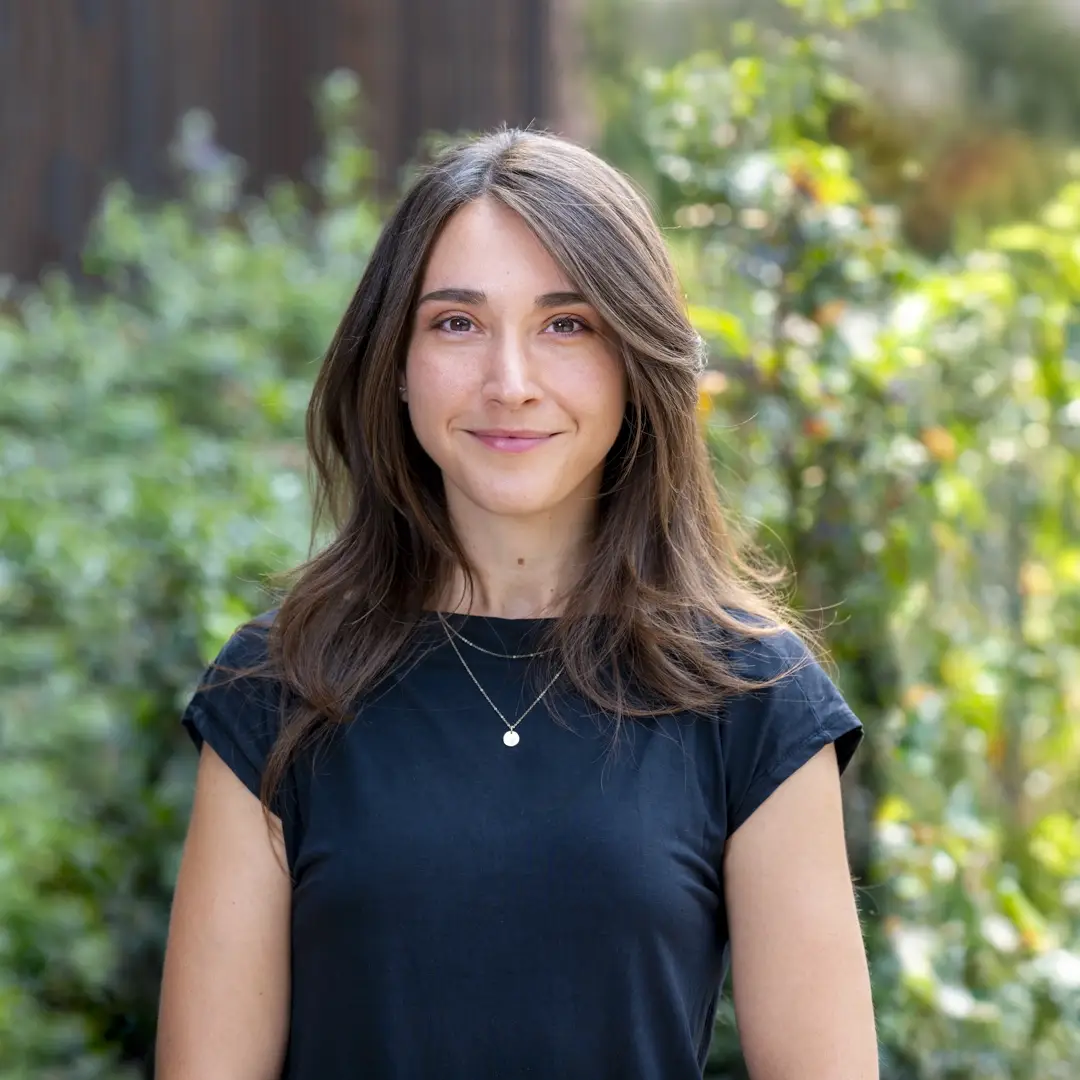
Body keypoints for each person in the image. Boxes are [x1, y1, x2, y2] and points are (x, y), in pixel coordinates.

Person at [155, 127, 878, 1080]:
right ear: (396, 365)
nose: (511, 383)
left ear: (637, 363)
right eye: (456, 323)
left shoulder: (753, 695)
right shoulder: (276, 686)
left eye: (566, 324)